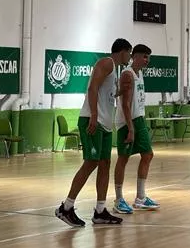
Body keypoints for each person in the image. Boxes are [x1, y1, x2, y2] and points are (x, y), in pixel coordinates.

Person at [55, 39, 131, 227]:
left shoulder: (115, 70)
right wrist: (94, 115)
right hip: (93, 120)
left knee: (104, 163)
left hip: (104, 124)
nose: (129, 57)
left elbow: (106, 94)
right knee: (91, 162)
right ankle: (66, 207)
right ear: (122, 51)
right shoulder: (106, 63)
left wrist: (120, 92)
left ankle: (100, 211)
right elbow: (92, 87)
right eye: (129, 53)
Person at [112, 44, 159, 214]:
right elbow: (124, 104)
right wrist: (130, 129)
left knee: (148, 154)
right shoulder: (128, 74)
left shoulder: (140, 74)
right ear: (135, 56)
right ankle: (118, 199)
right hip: (127, 122)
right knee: (123, 159)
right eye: (144, 56)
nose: (147, 60)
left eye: (148, 57)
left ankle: (140, 197)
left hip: (139, 119)